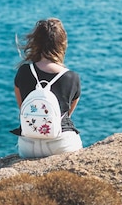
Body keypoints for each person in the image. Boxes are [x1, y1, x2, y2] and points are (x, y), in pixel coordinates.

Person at [11, 18, 83, 158]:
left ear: (35, 42)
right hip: (61, 143)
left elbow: (23, 108)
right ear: (62, 44)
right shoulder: (72, 77)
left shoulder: (24, 72)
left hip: (28, 145)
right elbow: (66, 115)